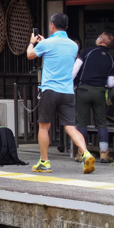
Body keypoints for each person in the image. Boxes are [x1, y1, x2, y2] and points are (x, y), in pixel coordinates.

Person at [27, 13, 95, 174]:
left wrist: (32, 42)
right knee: (71, 127)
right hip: (67, 92)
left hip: (50, 90)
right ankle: (85, 153)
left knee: (44, 127)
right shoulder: (73, 46)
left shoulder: (47, 43)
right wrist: (45, 43)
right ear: (66, 27)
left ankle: (44, 162)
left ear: (52, 25)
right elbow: (58, 52)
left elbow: (30, 55)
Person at [73, 31, 114, 163]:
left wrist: (70, 85)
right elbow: (110, 83)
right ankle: (104, 154)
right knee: (101, 123)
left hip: (83, 90)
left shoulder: (87, 52)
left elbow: (75, 70)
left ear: (100, 39)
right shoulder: (110, 59)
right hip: (100, 92)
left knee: (82, 122)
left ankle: (81, 153)